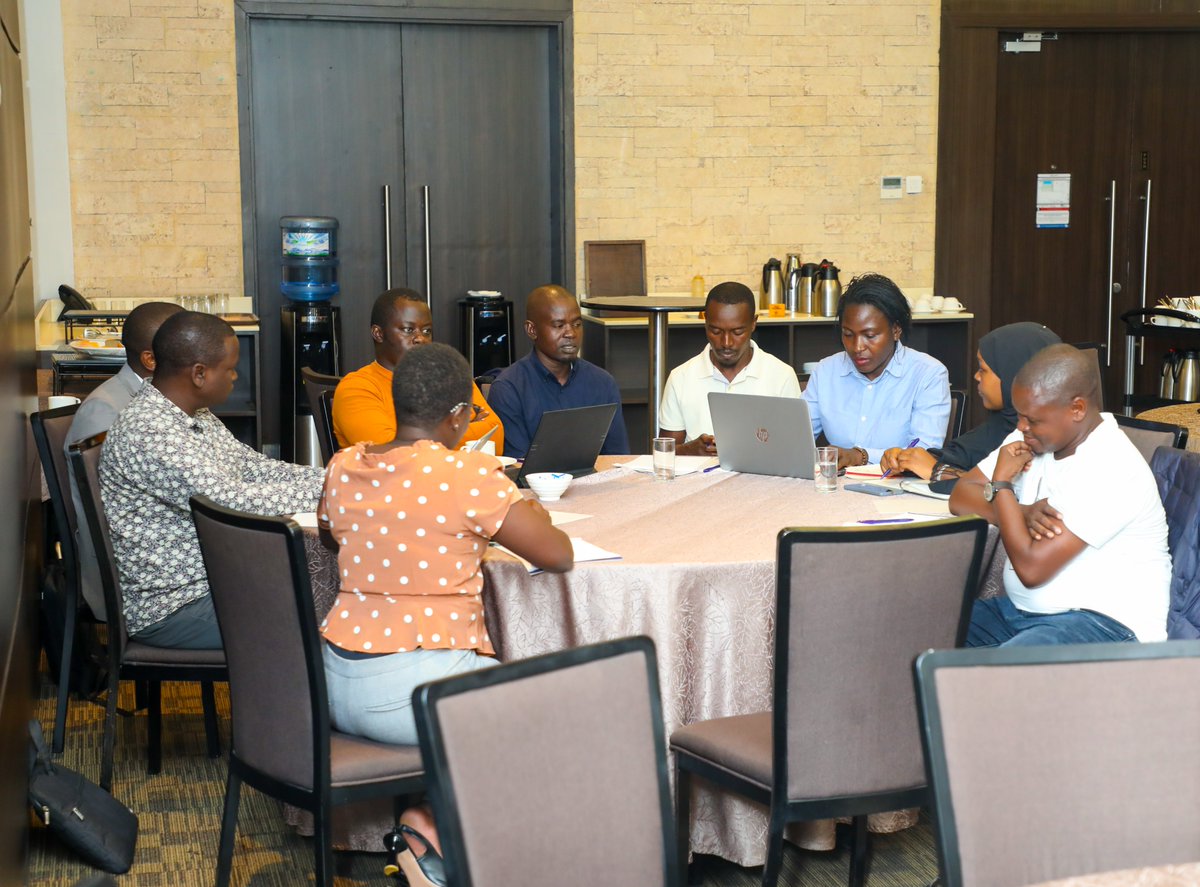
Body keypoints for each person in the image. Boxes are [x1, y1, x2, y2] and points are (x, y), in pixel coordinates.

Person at [318, 343, 573, 885]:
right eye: (473, 413)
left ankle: (425, 824)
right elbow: (557, 554)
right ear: (458, 414)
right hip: (412, 694)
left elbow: (326, 531)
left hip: (332, 684)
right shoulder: (467, 475)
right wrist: (521, 503)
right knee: (560, 706)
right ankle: (467, 848)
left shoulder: (344, 465)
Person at [101, 312, 325, 650]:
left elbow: (253, 468)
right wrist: (338, 491)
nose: (236, 376)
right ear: (199, 374)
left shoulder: (193, 414)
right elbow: (233, 503)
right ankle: (290, 701)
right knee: (329, 616)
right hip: (177, 605)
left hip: (221, 577)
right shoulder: (149, 431)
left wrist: (332, 477)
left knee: (337, 587)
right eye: (231, 367)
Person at [949, 343, 1170, 647]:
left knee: (1003, 673)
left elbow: (1031, 568)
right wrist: (1022, 512)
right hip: (1021, 615)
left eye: (1033, 420)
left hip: (1105, 626)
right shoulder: (1033, 436)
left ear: (1076, 409)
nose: (1021, 427)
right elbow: (960, 496)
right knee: (926, 631)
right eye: (1020, 416)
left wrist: (1002, 486)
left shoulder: (1111, 465)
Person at [65, 300, 183, 618]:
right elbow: (121, 522)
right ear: (150, 359)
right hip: (136, 587)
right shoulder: (106, 411)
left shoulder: (171, 398)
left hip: (170, 563)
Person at [879, 321, 1062, 483]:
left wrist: (937, 471)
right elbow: (960, 456)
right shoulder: (998, 426)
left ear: (1013, 373)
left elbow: (999, 491)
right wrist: (907, 459)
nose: (976, 376)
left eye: (983, 369)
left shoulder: (1046, 438)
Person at [802, 273, 950, 470]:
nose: (857, 347)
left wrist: (860, 456)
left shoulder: (928, 374)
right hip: (836, 487)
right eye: (848, 334)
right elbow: (796, 437)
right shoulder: (826, 371)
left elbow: (923, 452)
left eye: (870, 336)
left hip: (897, 490)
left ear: (896, 330)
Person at [331, 288, 503, 453]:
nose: (420, 338)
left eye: (427, 331)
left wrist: (413, 440)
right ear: (378, 333)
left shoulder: (452, 377)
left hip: (456, 479)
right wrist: (459, 429)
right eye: (408, 330)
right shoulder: (357, 388)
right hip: (392, 483)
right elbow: (390, 453)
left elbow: (495, 435)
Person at [658, 281, 800, 456]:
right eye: (716, 331)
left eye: (737, 332)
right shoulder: (680, 377)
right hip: (697, 481)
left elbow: (795, 450)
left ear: (754, 323)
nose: (726, 343)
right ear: (705, 321)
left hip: (761, 481)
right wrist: (690, 450)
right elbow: (662, 454)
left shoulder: (781, 376)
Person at [487, 285, 629, 459]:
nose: (570, 333)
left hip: (595, 483)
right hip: (534, 486)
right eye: (559, 325)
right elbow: (518, 466)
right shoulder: (508, 388)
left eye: (577, 324)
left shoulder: (603, 383)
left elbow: (618, 458)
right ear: (532, 330)